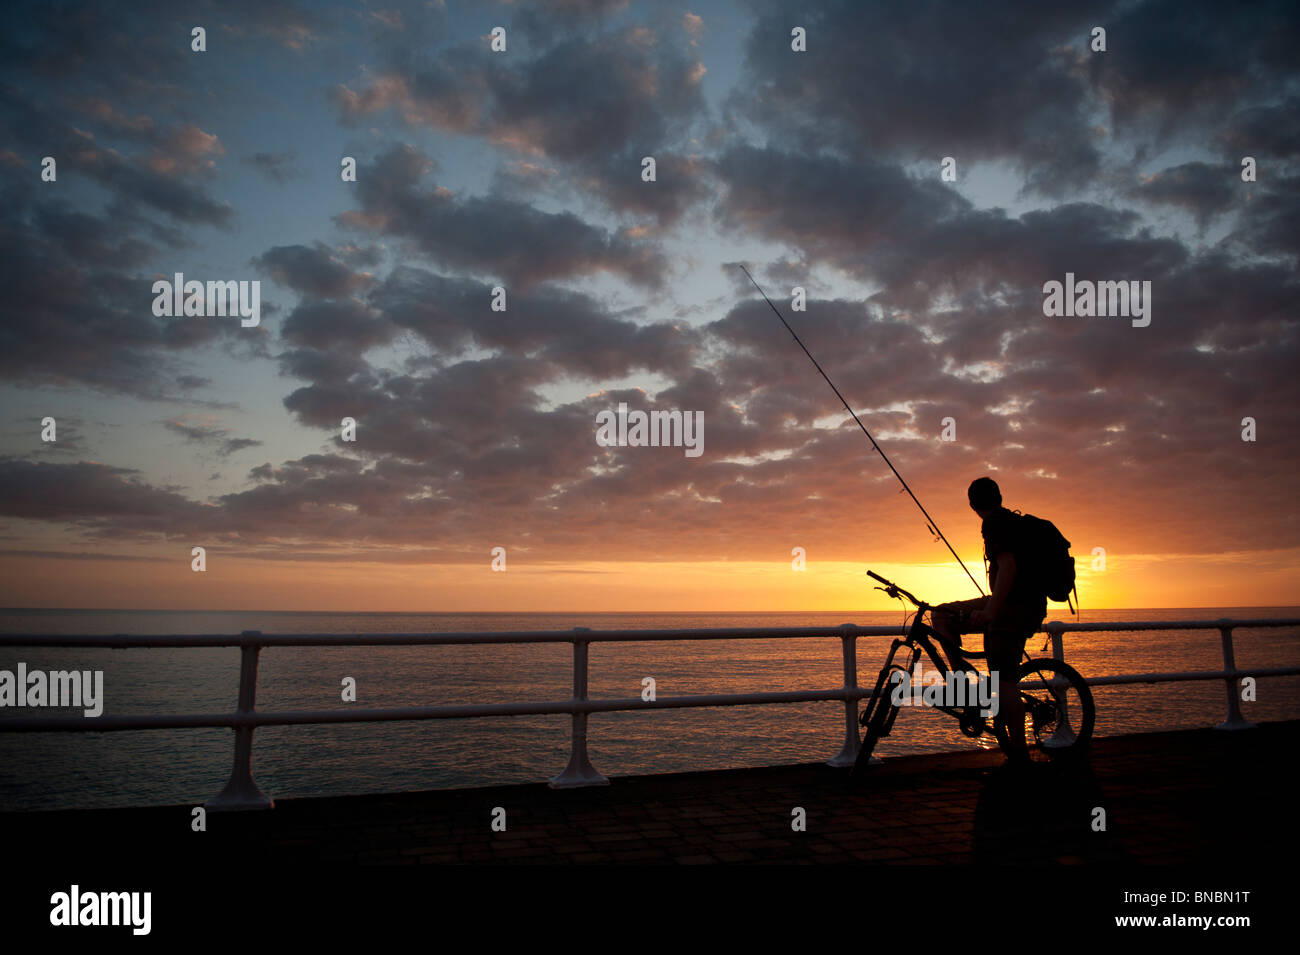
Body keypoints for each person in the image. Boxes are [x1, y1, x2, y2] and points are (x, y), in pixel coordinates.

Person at [930, 477, 1047, 765]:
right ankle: (966, 688)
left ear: (972, 505)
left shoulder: (995, 524)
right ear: (1000, 496)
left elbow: (1007, 566)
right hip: (1021, 605)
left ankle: (1020, 757)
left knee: (1004, 681)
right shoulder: (1013, 521)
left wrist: (992, 610)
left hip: (1011, 609)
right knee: (941, 614)